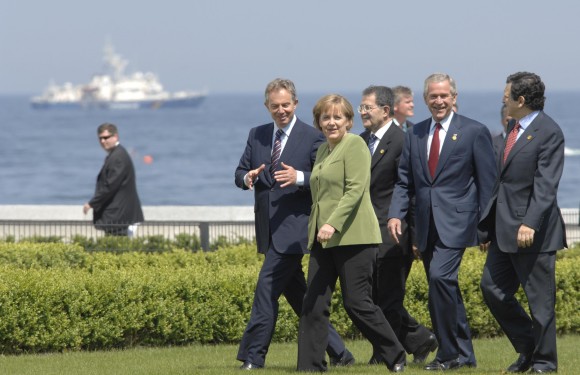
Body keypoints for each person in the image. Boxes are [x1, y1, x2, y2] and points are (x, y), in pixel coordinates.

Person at [234, 79, 352, 370]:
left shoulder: (313, 136)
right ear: (267, 107)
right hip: (268, 228)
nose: (281, 110)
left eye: (286, 104)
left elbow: (325, 178)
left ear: (295, 104)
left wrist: (299, 177)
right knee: (300, 297)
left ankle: (253, 356)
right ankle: (340, 352)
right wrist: (247, 178)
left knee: (266, 289)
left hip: (295, 229)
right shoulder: (257, 135)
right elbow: (239, 172)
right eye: (275, 106)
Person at [387, 73, 496, 371]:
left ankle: (448, 355)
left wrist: (487, 227)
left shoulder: (474, 131)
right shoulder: (415, 133)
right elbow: (404, 181)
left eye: (444, 96)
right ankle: (465, 355)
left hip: (458, 223)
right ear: (425, 99)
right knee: (445, 288)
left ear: (454, 97)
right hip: (425, 225)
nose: (439, 101)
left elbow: (488, 184)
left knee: (440, 279)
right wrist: (396, 213)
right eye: (433, 96)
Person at [297, 94, 406, 373]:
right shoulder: (323, 150)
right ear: (318, 122)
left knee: (357, 303)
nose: (331, 122)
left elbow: (355, 190)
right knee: (313, 303)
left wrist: (332, 223)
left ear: (348, 121)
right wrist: (319, 229)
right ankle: (310, 367)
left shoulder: (355, 144)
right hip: (324, 240)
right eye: (325, 117)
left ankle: (395, 354)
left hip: (354, 237)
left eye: (337, 117)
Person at [478, 72, 566, 374]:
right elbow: (502, 184)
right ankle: (529, 347)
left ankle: (545, 363)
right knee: (492, 289)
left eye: (507, 93)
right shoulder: (513, 128)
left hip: (533, 232)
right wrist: (487, 227)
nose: (503, 98)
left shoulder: (549, 132)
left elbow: (545, 185)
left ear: (521, 99)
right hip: (503, 231)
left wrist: (530, 222)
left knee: (540, 305)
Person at [359, 85, 437, 365]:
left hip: (394, 232)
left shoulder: (403, 141)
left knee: (388, 297)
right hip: (366, 231)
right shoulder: (361, 140)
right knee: (371, 296)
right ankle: (419, 338)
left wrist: (416, 235)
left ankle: (384, 353)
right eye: (361, 107)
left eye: (367, 107)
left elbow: (413, 190)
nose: (363, 113)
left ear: (385, 110)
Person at [83, 123, 144, 237]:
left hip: (120, 217)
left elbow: (110, 186)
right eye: (100, 138)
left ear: (115, 137)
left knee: (117, 249)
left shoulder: (118, 157)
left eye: (106, 137)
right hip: (119, 216)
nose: (102, 141)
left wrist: (92, 203)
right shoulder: (116, 154)